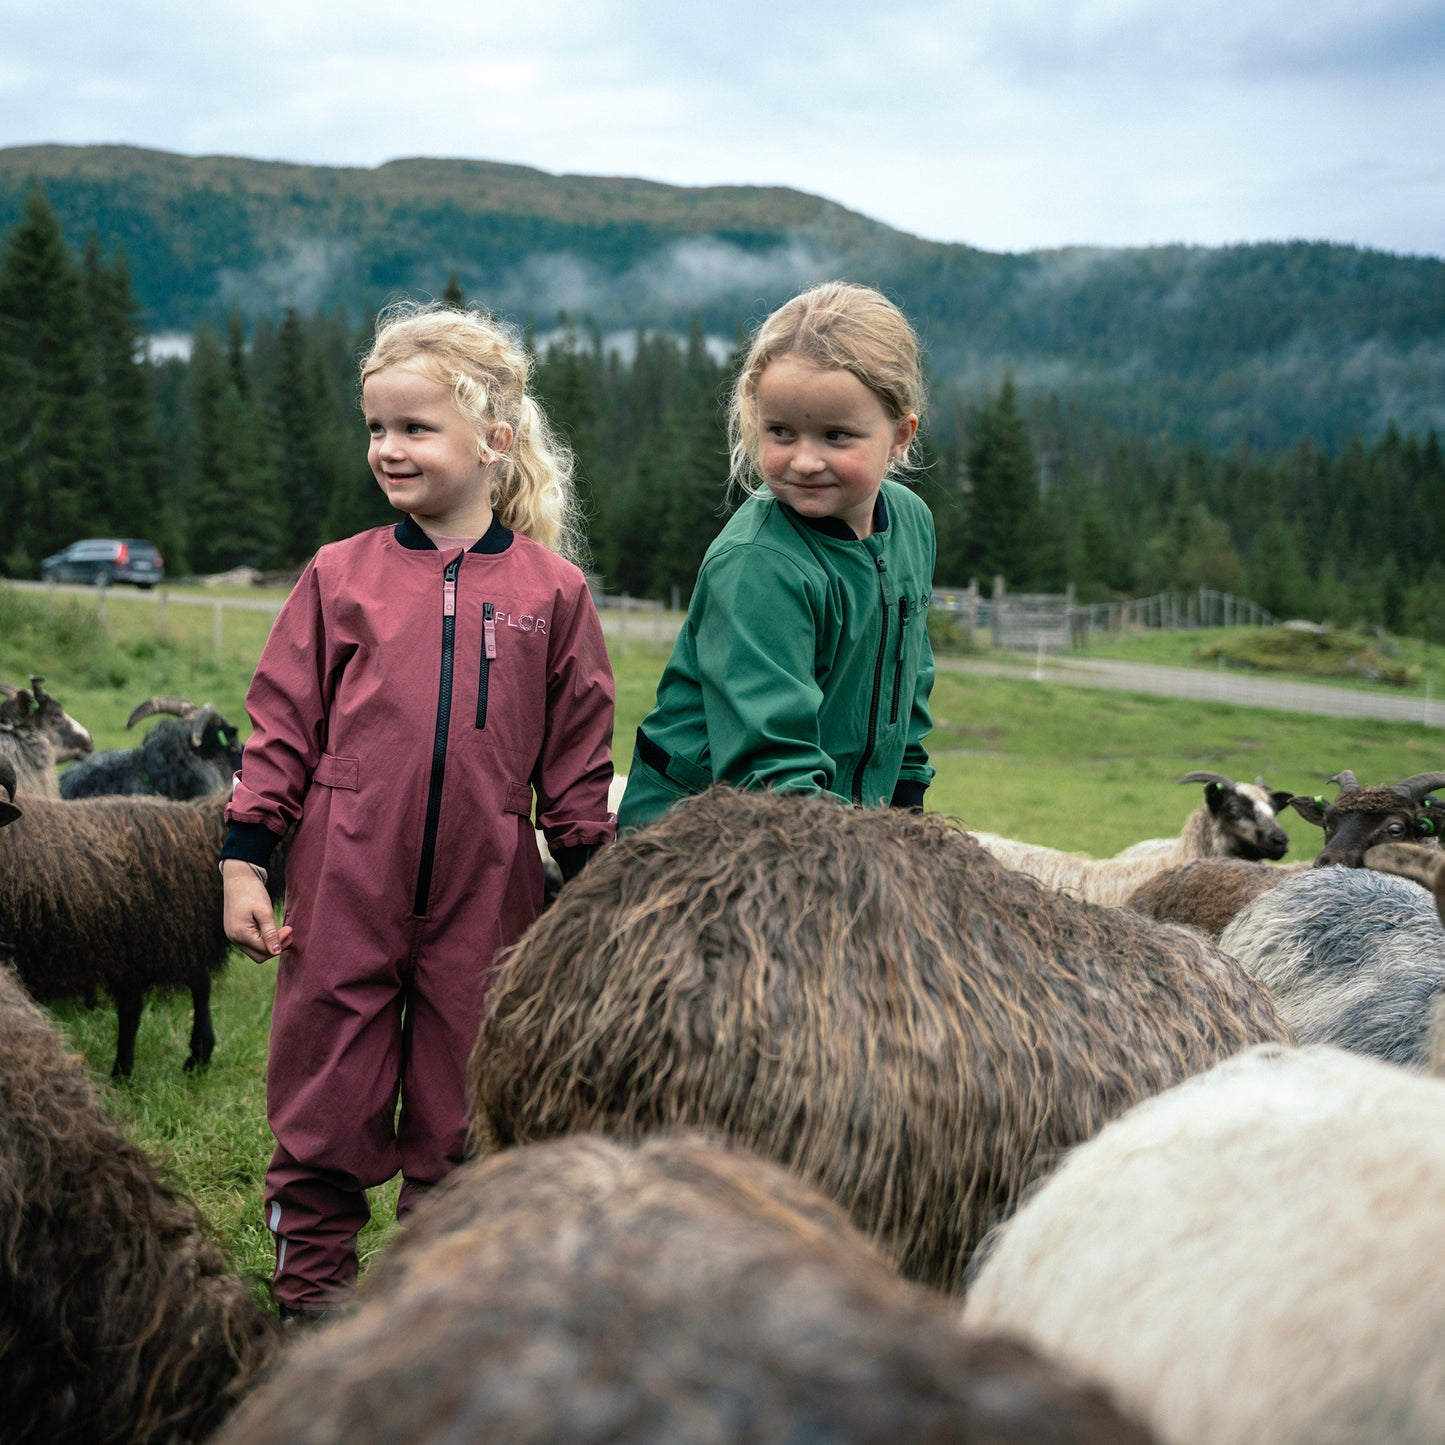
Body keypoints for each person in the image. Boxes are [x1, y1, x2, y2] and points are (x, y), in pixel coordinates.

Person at [220, 300, 616, 1322]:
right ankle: (309, 1308)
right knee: (326, 1091)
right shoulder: (339, 574)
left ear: (492, 439)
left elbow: (576, 765)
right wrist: (243, 860)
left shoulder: (552, 592)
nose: (387, 448)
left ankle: (434, 1315)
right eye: (376, 427)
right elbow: (279, 727)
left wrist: (591, 887)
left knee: (465, 1104)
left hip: (491, 895)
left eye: (413, 427)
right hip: (344, 877)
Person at [617, 281, 935, 831]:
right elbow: (768, 771)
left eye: (837, 436)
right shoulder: (758, 563)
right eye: (781, 432)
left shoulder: (910, 522)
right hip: (697, 843)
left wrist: (907, 810)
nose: (805, 460)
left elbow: (910, 680)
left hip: (838, 829)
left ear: (900, 435)